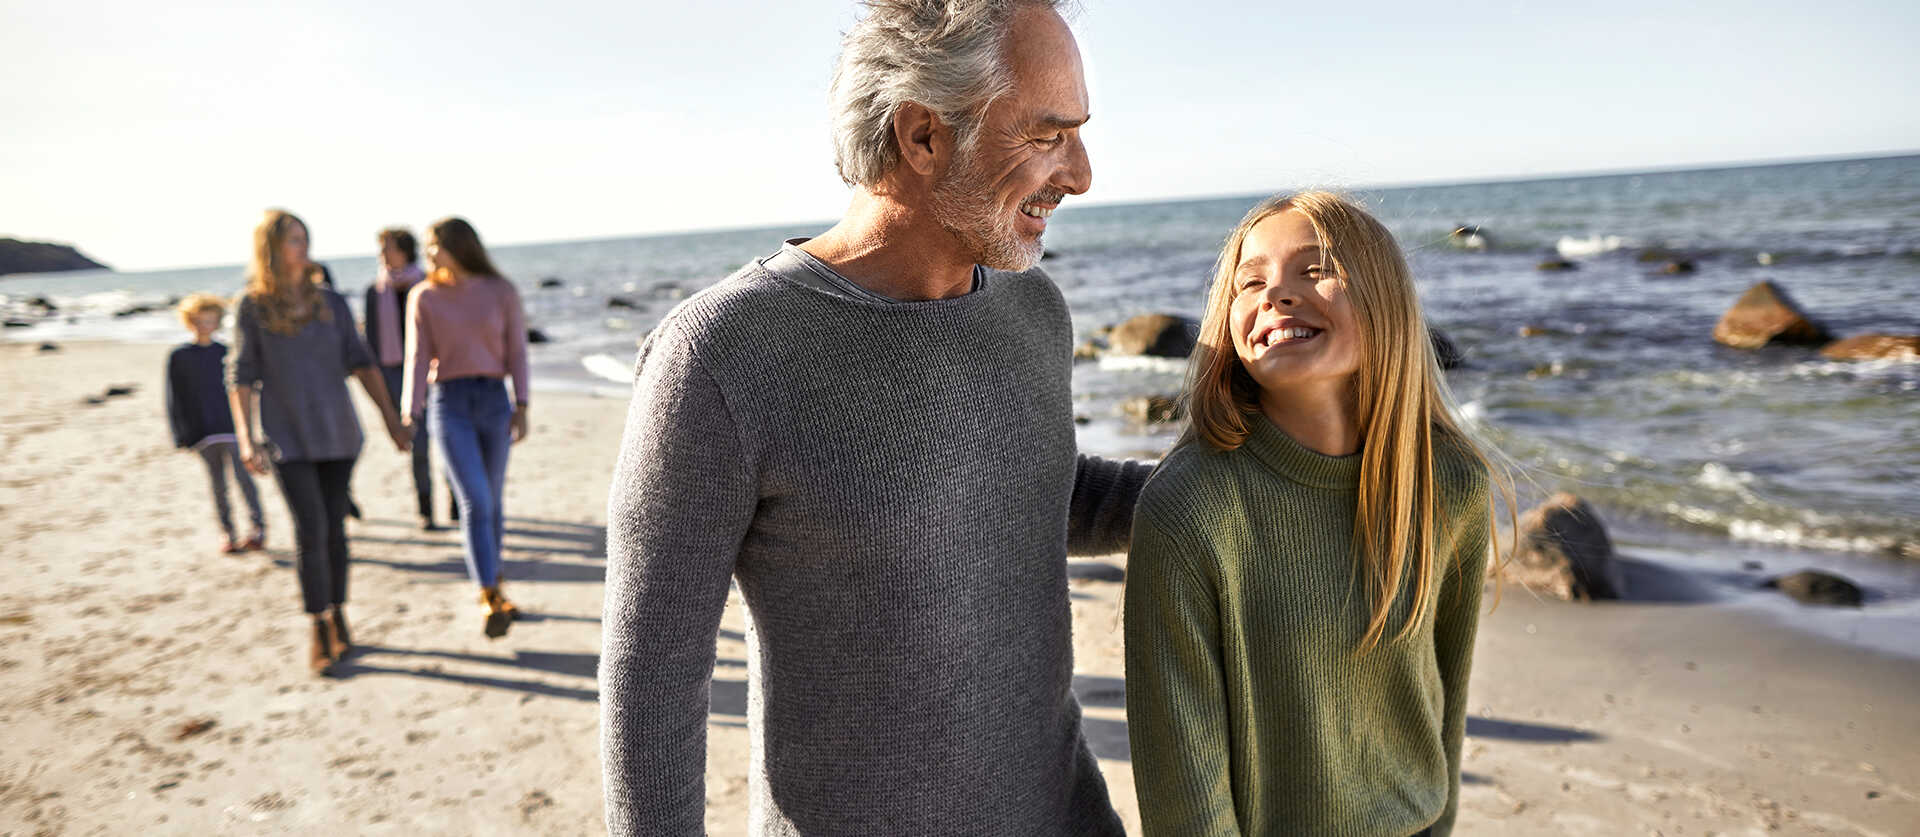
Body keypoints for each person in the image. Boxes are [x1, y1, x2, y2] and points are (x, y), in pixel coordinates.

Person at [599, 2, 1149, 833]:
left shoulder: (1035, 308)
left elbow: (1031, 486)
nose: (1080, 173)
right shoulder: (718, 356)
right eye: (1047, 135)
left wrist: (1259, 481)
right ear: (923, 136)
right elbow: (653, 677)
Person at [1123, 192, 1512, 836]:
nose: (1276, 293)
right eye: (1251, 282)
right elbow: (1181, 777)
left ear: (1385, 300)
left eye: (1316, 269)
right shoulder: (1191, 508)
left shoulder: (1450, 483)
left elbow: (1446, 702)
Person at [228, 209, 410, 676]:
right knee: (310, 531)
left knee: (335, 530)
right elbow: (242, 375)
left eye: (304, 237)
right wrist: (247, 437)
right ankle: (318, 623)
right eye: (292, 238)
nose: (302, 246)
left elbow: (362, 361)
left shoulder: (329, 300)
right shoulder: (252, 306)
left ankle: (339, 612)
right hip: (287, 437)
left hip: (339, 433)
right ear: (271, 247)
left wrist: (391, 417)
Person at [402, 216, 530, 639]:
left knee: (492, 499)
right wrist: (411, 408)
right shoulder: (424, 296)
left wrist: (523, 403)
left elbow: (516, 350)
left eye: (433, 244)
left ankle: (497, 587)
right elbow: (417, 356)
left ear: (457, 244)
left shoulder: (500, 291)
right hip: (449, 402)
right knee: (474, 499)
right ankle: (488, 593)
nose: (428, 252)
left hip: (494, 400)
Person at [166, 293, 265, 554]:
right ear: (189, 322)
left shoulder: (227, 353)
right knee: (217, 485)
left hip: (232, 430)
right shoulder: (179, 356)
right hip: (202, 433)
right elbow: (174, 399)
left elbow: (246, 393)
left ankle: (258, 530)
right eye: (199, 320)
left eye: (210, 320)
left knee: (245, 480)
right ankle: (228, 533)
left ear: (218, 321)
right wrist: (181, 435)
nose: (204, 325)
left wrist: (251, 432)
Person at [364, 227, 446, 531]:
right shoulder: (375, 292)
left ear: (405, 250)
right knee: (418, 443)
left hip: (435, 372)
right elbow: (371, 343)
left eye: (388, 247)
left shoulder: (429, 285)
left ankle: (455, 502)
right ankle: (426, 509)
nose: (383, 254)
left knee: (445, 437)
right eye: (381, 248)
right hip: (395, 372)